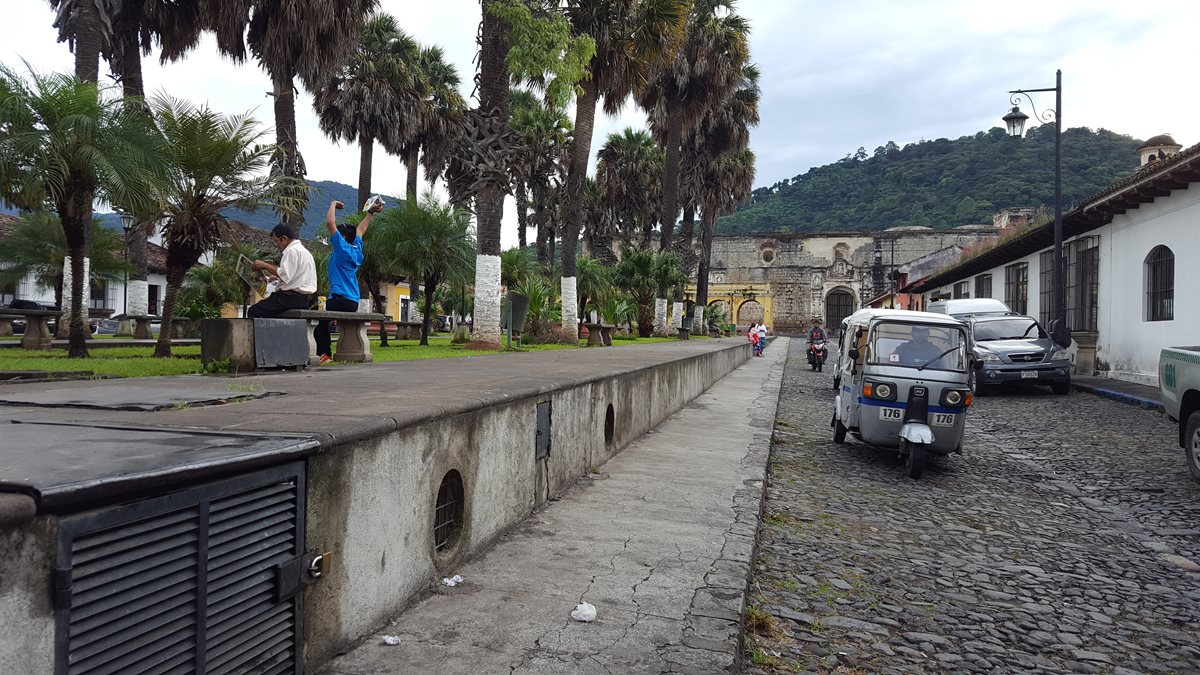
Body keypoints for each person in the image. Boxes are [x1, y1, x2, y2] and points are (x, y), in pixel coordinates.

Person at [315, 199, 382, 363]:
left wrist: (332, 204)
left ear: (343, 237)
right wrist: (370, 213)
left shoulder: (342, 247)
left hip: (341, 299)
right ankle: (325, 353)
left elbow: (330, 222)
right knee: (320, 314)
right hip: (352, 301)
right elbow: (361, 229)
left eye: (338, 233)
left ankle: (325, 355)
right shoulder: (356, 248)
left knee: (316, 315)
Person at [247, 224, 317, 318]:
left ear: (284, 238)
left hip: (289, 298)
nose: (277, 245)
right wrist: (276, 278)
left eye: (276, 241)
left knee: (254, 311)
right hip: (306, 299)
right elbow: (296, 277)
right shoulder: (306, 253)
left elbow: (285, 274)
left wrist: (264, 265)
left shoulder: (291, 251)